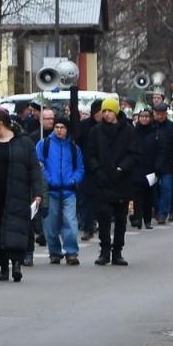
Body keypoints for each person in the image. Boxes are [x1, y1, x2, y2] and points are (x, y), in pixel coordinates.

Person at [0, 108, 46, 282]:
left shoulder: (24, 142)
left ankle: (16, 264)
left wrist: (38, 193)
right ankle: (3, 267)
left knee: (16, 230)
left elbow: (34, 169)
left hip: (17, 193)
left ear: (0, 125)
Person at [81, 97, 137, 266]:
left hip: (122, 180)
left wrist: (122, 168)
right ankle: (104, 250)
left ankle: (117, 251)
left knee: (120, 218)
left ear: (116, 112)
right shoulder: (96, 132)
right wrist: (97, 170)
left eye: (109, 111)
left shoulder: (128, 130)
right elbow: (90, 154)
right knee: (104, 216)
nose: (106, 114)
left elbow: (134, 153)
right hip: (102, 180)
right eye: (104, 111)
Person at [37, 119, 83, 265]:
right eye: (56, 127)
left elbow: (80, 168)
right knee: (50, 224)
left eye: (62, 127)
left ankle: (71, 252)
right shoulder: (44, 144)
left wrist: (74, 180)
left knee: (70, 222)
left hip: (69, 191)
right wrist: (48, 179)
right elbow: (39, 165)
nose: (59, 130)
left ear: (67, 129)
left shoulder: (74, 148)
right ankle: (55, 252)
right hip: (50, 191)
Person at [151, 102, 173, 227]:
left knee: (166, 189)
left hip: (167, 164)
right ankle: (156, 210)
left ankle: (163, 214)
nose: (160, 116)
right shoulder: (151, 126)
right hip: (151, 164)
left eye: (162, 114)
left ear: (166, 114)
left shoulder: (172, 127)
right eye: (157, 114)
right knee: (153, 190)